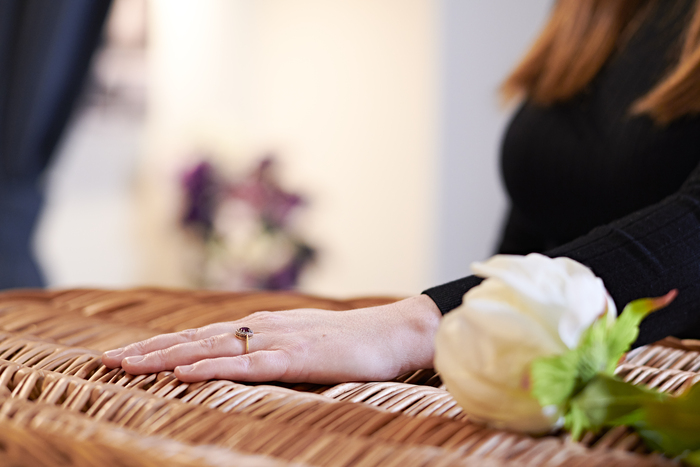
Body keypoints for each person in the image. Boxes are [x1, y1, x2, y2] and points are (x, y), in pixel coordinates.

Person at [103, 0, 700, 384]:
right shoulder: (593, 12)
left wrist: (427, 322)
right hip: (555, 381)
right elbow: (538, 226)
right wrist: (456, 358)